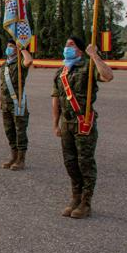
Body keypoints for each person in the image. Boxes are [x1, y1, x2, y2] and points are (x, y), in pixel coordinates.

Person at [52, 36, 113, 219]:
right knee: (70, 162)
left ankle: (86, 202)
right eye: (66, 44)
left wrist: (94, 55)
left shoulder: (88, 67)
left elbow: (108, 76)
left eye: (70, 45)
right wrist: (55, 123)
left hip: (83, 123)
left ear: (79, 49)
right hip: (66, 124)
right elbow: (56, 100)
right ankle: (75, 197)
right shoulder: (61, 71)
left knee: (85, 163)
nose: (66, 47)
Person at [0, 39, 33, 170]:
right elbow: (2, 84)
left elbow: (29, 61)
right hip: (5, 104)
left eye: (12, 46)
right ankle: (13, 156)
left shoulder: (20, 64)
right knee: (9, 131)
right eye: (8, 46)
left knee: (20, 131)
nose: (9, 48)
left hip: (17, 103)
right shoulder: (4, 65)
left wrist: (22, 48)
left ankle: (21, 159)